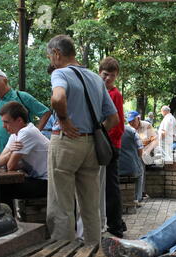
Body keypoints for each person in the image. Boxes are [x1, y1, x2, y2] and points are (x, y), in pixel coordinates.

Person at [46, 34, 119, 245]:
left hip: (66, 142)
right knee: (90, 205)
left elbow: (58, 98)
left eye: (50, 56)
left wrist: (64, 120)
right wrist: (94, 132)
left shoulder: (60, 73)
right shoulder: (96, 79)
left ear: (57, 54)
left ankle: (64, 253)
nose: (51, 60)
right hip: (91, 146)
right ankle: (93, 251)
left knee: (61, 204)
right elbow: (113, 118)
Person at [0, 102, 49, 214]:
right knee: (1, 187)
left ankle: (9, 222)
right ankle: (10, 222)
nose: (3, 126)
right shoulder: (14, 135)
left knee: (2, 189)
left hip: (47, 182)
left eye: (6, 122)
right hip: (37, 179)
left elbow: (10, 166)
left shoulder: (27, 132)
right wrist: (11, 150)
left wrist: (10, 153)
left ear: (19, 121)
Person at [0, 68, 51, 154]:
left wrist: (36, 133)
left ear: (5, 81)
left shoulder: (21, 96)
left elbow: (46, 112)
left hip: (20, 149)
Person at [99, 56, 127, 238]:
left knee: (110, 186)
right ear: (99, 72)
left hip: (109, 145)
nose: (108, 79)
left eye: (112, 76)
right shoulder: (98, 90)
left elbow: (118, 125)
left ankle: (116, 225)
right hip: (105, 143)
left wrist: (104, 138)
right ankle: (118, 223)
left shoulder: (115, 94)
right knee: (107, 185)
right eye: (105, 74)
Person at [119, 112, 145, 203]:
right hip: (131, 169)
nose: (131, 123)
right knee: (141, 171)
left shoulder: (110, 130)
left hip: (115, 168)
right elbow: (140, 151)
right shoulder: (132, 132)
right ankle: (137, 198)